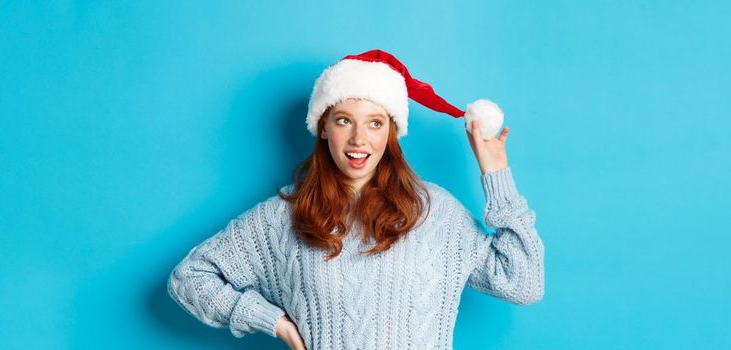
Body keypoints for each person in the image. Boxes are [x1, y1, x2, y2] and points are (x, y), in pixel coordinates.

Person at [166, 49, 545, 350]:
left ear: (391, 133)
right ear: (323, 129)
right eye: (344, 120)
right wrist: (275, 322)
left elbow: (523, 283)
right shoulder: (283, 216)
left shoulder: (436, 212)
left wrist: (496, 173)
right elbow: (190, 278)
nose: (359, 139)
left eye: (375, 123)